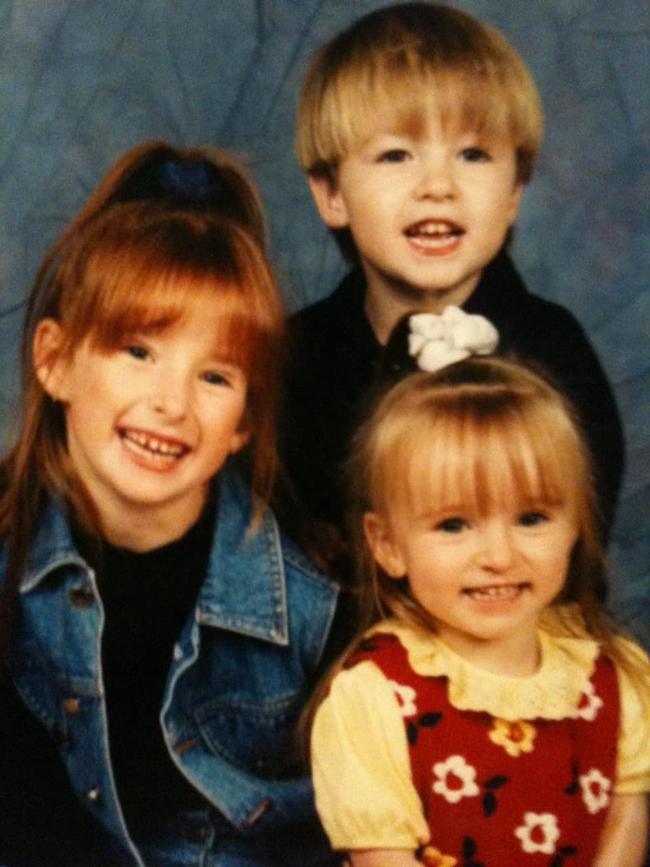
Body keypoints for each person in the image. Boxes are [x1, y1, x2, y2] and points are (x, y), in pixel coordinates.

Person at [0, 141, 339, 866]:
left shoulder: (311, 601)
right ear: (55, 361)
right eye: (139, 352)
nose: (171, 402)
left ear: (244, 421)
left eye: (215, 377)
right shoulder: (10, 561)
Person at [282, 1, 624, 547]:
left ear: (514, 193)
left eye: (472, 155)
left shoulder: (555, 354)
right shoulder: (295, 363)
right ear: (331, 194)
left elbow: (577, 549)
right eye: (396, 156)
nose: (438, 185)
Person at [310, 354, 649, 867]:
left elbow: (625, 823)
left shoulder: (614, 677)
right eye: (453, 525)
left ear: (576, 524)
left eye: (531, 518)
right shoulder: (375, 695)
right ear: (387, 544)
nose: (498, 557)